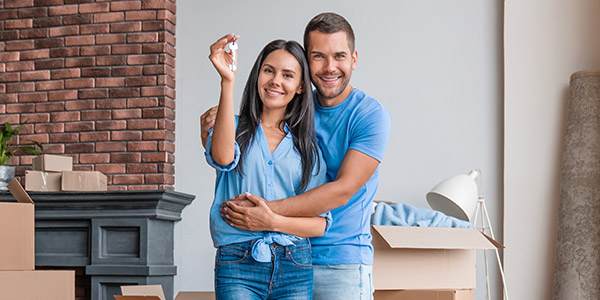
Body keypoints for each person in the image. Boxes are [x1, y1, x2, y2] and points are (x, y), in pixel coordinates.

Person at [202, 13, 391, 300]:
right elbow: (226, 155)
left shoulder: (367, 116)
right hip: (285, 257)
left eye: (339, 56)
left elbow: (341, 192)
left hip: (342, 261)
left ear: (353, 58)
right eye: (318, 56)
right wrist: (219, 120)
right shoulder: (293, 116)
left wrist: (266, 216)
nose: (329, 67)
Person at [205, 33, 331, 300]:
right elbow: (223, 158)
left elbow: (319, 224)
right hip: (237, 261)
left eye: (288, 75)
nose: (276, 80)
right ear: (257, 75)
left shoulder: (308, 148)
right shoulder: (233, 128)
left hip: (295, 263)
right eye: (269, 71)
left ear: (299, 86)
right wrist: (227, 81)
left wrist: (273, 221)